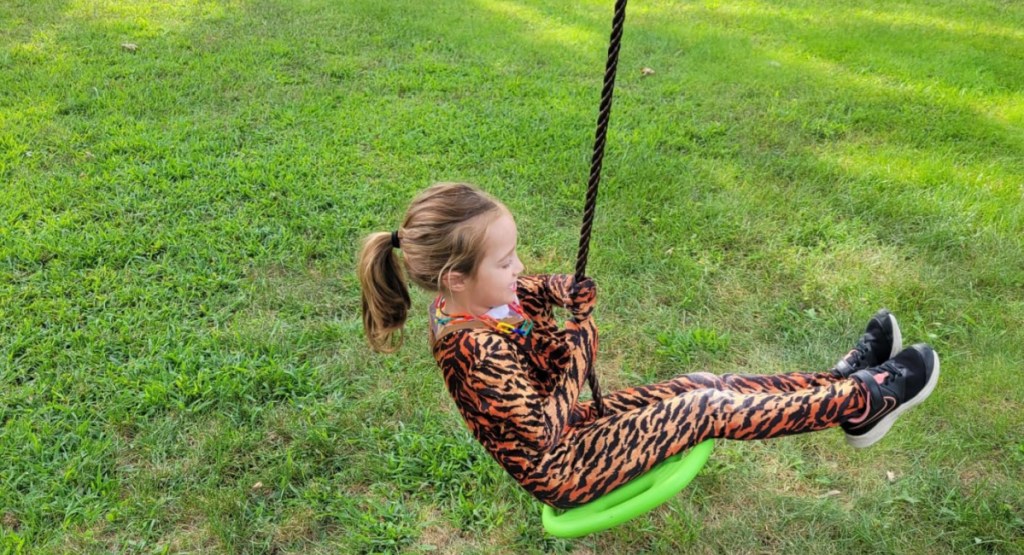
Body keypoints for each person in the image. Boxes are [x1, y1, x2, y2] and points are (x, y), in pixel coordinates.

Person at [357, 182, 940, 509]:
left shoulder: (473, 297)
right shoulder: (467, 350)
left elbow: (521, 296)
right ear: (455, 278)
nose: (520, 268)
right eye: (506, 261)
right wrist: (579, 351)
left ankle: (837, 387)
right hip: (565, 464)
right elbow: (542, 432)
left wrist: (559, 289)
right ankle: (864, 401)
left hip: (582, 427)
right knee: (706, 409)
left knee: (704, 385)